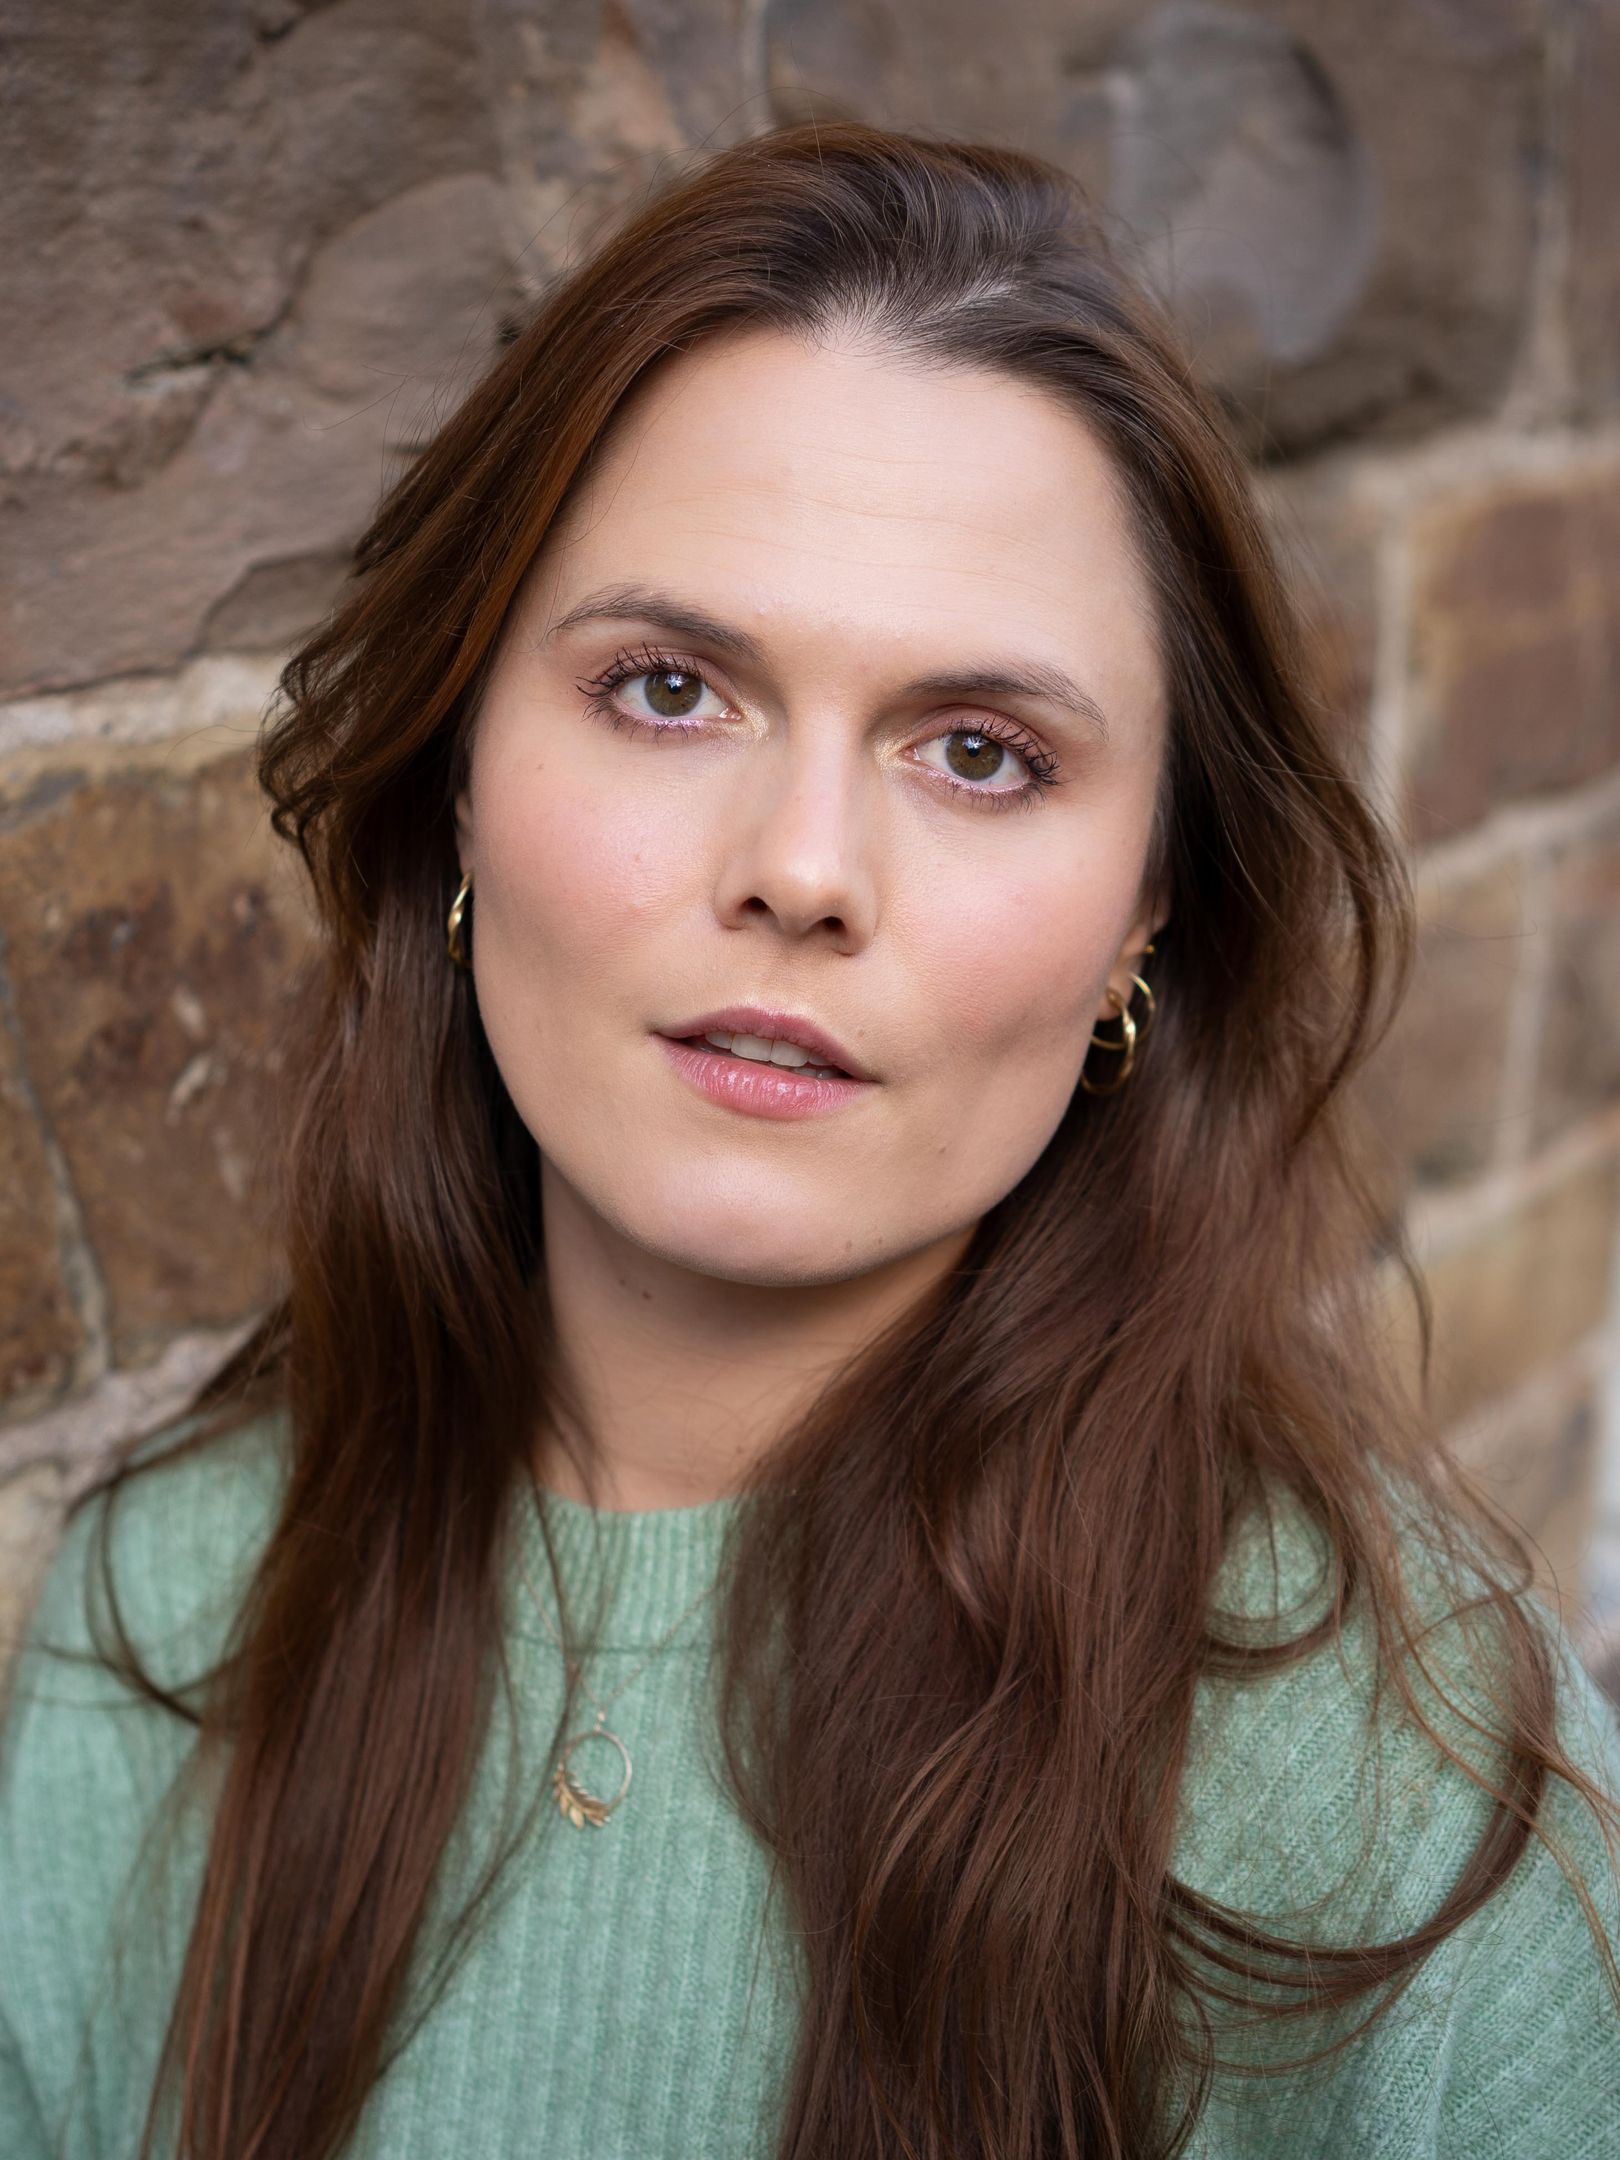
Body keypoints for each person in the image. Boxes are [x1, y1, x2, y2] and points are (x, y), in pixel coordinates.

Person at [1, 119, 1616, 2160]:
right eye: (669, 690)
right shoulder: (174, 1605)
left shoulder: (1400, 1808)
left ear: (1147, 911)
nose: (804, 868)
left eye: (980, 752)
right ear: (462, 770)